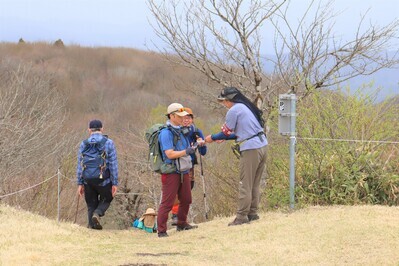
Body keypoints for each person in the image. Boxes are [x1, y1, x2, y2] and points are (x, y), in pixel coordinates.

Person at [205, 87, 267, 226]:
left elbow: (225, 132)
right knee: (255, 183)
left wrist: (212, 138)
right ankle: (252, 213)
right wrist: (222, 138)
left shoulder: (233, 110)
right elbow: (242, 132)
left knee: (245, 183)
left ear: (229, 100)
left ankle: (241, 217)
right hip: (262, 145)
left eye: (223, 101)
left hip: (251, 148)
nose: (223, 104)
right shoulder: (246, 107)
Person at [157, 103, 198, 237]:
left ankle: (182, 223)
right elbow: (169, 154)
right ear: (171, 116)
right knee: (168, 202)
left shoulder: (182, 131)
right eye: (179, 116)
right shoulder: (165, 133)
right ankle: (161, 230)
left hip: (183, 169)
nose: (182, 118)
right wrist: (186, 151)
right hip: (171, 171)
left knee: (186, 198)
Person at [76, 119, 118, 230]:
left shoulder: (84, 144)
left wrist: (80, 183)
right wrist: (115, 183)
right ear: (102, 129)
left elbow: (80, 165)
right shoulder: (108, 143)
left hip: (87, 180)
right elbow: (113, 164)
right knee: (107, 198)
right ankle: (98, 214)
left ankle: (92, 228)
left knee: (91, 204)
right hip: (103, 180)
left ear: (89, 130)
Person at [170, 107, 207, 225]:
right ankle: (176, 215)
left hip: (189, 164)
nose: (186, 120)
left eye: (189, 118)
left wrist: (201, 144)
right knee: (176, 189)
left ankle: (181, 218)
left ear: (192, 119)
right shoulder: (175, 131)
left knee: (188, 189)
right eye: (184, 118)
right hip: (176, 163)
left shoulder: (196, 131)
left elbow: (203, 152)